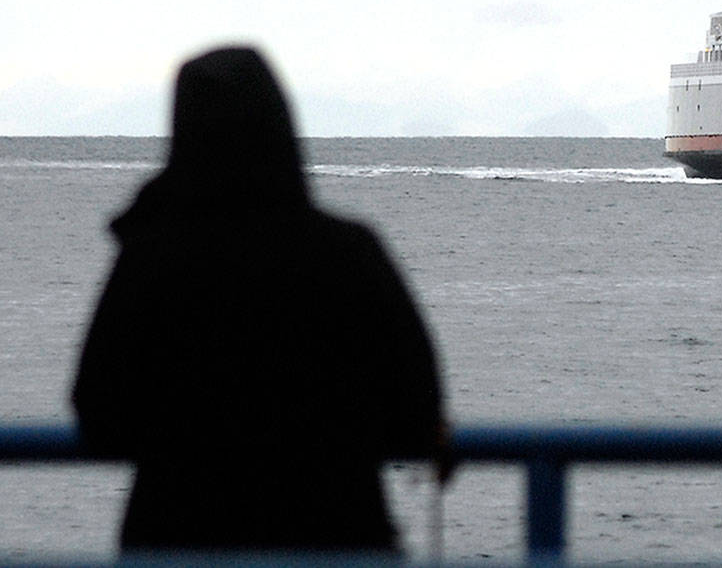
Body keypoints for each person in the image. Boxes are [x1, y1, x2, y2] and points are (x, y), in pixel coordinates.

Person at [72, 46, 449, 552]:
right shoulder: (349, 252)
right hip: (336, 539)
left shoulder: (151, 256)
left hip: (179, 541)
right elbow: (417, 411)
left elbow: (99, 414)